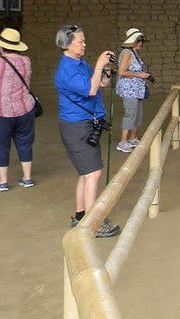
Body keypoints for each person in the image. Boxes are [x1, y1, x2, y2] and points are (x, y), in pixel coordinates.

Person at [54, 25, 120, 238]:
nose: (84, 44)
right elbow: (91, 90)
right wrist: (100, 64)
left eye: (84, 40)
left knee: (86, 172)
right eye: (80, 41)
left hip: (86, 123)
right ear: (67, 44)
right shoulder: (66, 69)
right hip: (77, 126)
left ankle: (81, 216)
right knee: (93, 172)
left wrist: (106, 70)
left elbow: (102, 84)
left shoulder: (80, 63)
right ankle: (94, 223)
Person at [0, 29, 36, 191]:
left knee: (0, 144)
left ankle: (3, 182)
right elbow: (8, 65)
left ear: (1, 46)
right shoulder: (26, 61)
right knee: (25, 142)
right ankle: (27, 178)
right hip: (25, 109)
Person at [115, 28, 152, 153]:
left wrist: (142, 73)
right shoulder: (127, 53)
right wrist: (140, 75)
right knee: (131, 114)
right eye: (138, 40)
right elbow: (121, 72)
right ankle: (123, 142)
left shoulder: (134, 53)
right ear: (132, 41)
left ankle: (133, 138)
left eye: (141, 40)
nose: (140, 43)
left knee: (138, 114)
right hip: (129, 90)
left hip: (137, 89)